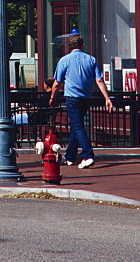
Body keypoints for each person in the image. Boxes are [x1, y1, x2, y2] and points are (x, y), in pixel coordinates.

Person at [48, 33, 113, 169]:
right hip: (86, 98)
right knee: (76, 127)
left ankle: (88, 155)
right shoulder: (91, 60)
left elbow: (56, 83)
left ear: (69, 47)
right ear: (82, 45)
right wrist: (107, 98)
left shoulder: (64, 61)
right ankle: (70, 156)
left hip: (72, 98)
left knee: (78, 126)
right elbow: (99, 80)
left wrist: (53, 97)